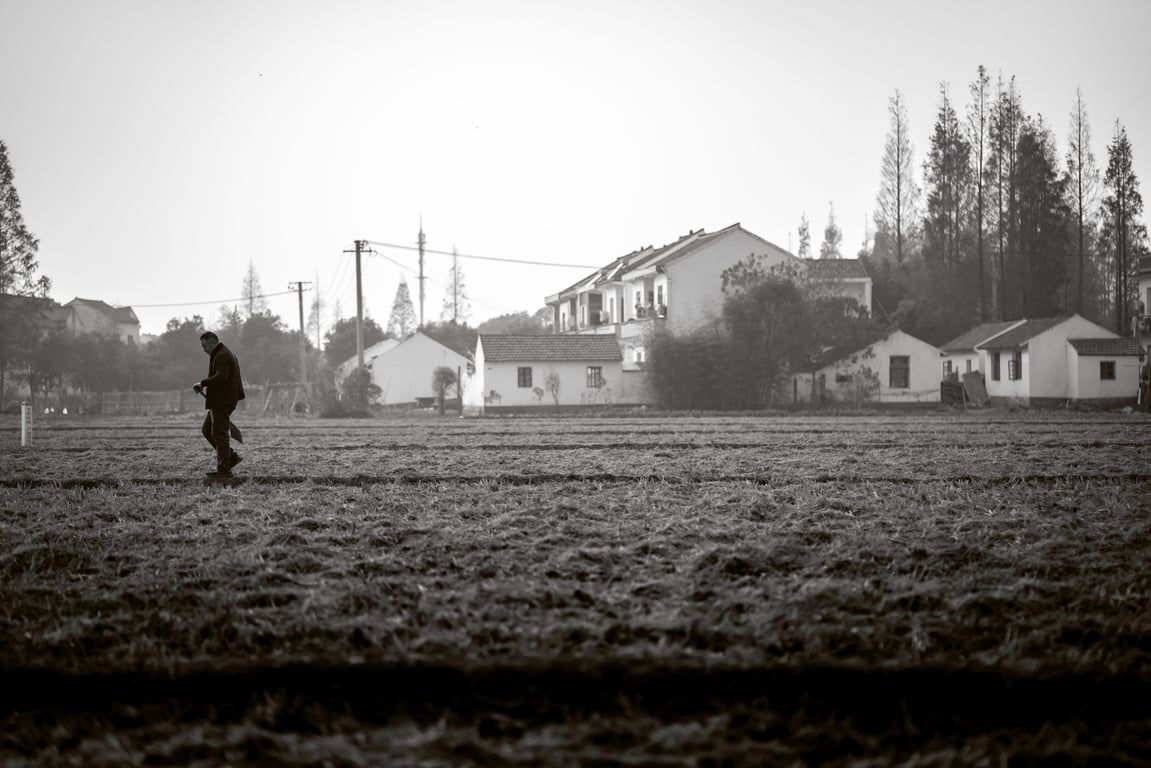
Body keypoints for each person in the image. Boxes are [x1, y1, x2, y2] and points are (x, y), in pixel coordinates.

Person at [193, 331, 246, 478]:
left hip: (222, 401)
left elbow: (221, 377)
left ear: (212, 342)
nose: (203, 349)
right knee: (207, 429)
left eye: (204, 346)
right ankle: (230, 457)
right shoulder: (223, 353)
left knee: (219, 433)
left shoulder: (222, 355)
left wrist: (202, 383)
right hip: (221, 400)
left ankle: (224, 470)